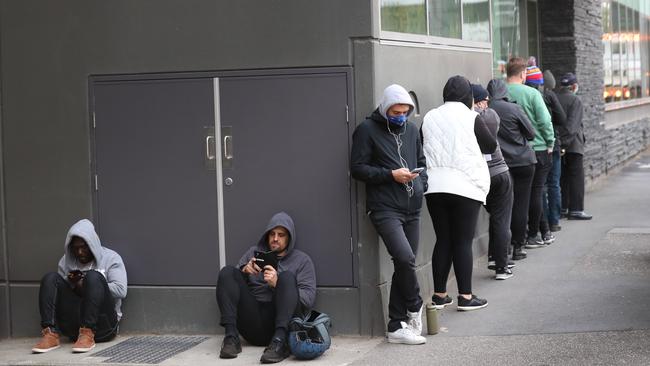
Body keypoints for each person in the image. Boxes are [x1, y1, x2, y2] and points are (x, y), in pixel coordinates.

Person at [351, 84, 427, 345]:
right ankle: (415, 305)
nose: (401, 116)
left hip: (412, 207)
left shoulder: (413, 130)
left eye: (405, 112)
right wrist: (389, 175)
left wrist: (421, 184)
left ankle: (396, 326)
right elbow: (358, 168)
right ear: (385, 109)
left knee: (403, 264)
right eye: (396, 112)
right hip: (384, 208)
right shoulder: (367, 130)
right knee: (405, 258)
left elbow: (422, 161)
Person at [422, 76, 496, 311]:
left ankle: (440, 295)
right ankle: (465, 296)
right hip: (465, 185)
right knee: (463, 241)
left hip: (434, 186)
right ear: (468, 97)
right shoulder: (471, 116)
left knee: (443, 238)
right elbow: (490, 145)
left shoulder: (429, 117)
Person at [216, 212, 316, 363]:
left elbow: (308, 299)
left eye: (281, 235)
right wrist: (244, 271)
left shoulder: (302, 260)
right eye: (272, 234)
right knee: (227, 272)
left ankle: (279, 344)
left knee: (287, 277)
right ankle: (231, 338)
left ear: (289, 237)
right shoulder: (253, 252)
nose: (275, 238)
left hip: (280, 323)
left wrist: (277, 284)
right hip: (252, 320)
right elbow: (230, 285)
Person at [32, 219, 127, 354]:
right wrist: (72, 284)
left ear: (92, 244)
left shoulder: (111, 258)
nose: (80, 252)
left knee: (93, 277)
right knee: (50, 278)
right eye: (76, 248)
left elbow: (121, 290)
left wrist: (89, 286)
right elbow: (58, 294)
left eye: (84, 247)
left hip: (103, 326)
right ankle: (50, 334)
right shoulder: (66, 261)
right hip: (74, 328)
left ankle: (88, 333)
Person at [506, 58, 555, 250]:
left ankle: (515, 237)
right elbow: (544, 121)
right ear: (522, 74)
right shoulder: (532, 93)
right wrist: (550, 141)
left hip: (509, 151)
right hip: (538, 148)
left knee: (513, 197)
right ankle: (532, 235)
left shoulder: (499, 93)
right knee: (536, 192)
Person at [487, 78, 536, 261]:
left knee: (499, 209)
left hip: (498, 166)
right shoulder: (514, 109)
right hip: (522, 162)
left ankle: (499, 251)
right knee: (520, 205)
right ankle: (518, 247)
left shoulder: (484, 111)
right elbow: (531, 133)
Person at [471, 83, 514, 280]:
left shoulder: (469, 119)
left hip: (480, 176)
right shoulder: (492, 116)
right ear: (480, 101)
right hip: (499, 172)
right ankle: (502, 267)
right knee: (501, 219)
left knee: (495, 218)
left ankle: (493, 258)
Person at [557, 73, 593, 220]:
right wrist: (565, 143)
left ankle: (564, 207)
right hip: (573, 144)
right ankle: (576, 210)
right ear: (573, 86)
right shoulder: (575, 100)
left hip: (558, 143)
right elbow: (572, 126)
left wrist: (559, 143)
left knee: (563, 177)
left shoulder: (555, 98)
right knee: (577, 177)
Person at [542, 70, 568, 233]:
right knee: (553, 184)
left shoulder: (529, 94)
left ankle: (542, 222)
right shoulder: (549, 96)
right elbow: (562, 118)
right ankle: (554, 221)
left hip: (536, 147)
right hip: (552, 144)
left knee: (541, 186)